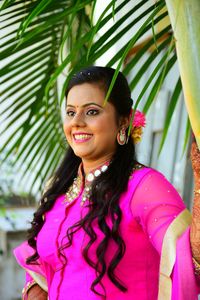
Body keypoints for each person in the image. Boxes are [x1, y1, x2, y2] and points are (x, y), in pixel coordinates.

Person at [14, 66, 200, 300]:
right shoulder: (60, 187)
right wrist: (35, 287)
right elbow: (41, 258)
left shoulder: (144, 187)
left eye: (91, 112)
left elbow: (185, 259)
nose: (77, 122)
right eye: (71, 112)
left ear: (123, 122)